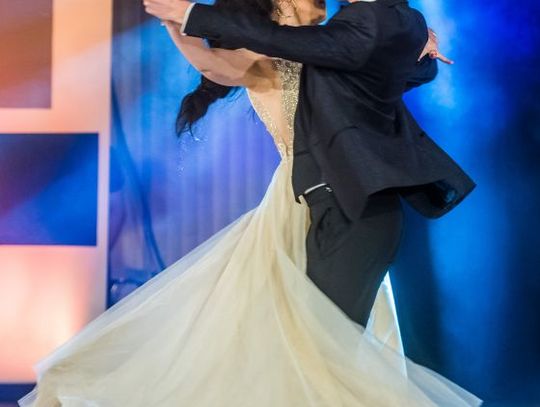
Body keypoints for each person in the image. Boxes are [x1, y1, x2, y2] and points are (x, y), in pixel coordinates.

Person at [19, 0, 482, 405]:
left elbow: (379, 63)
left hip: (346, 196)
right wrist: (178, 23)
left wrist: (416, 45)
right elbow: (225, 64)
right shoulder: (282, 45)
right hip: (303, 195)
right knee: (291, 339)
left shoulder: (341, 36)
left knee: (319, 343)